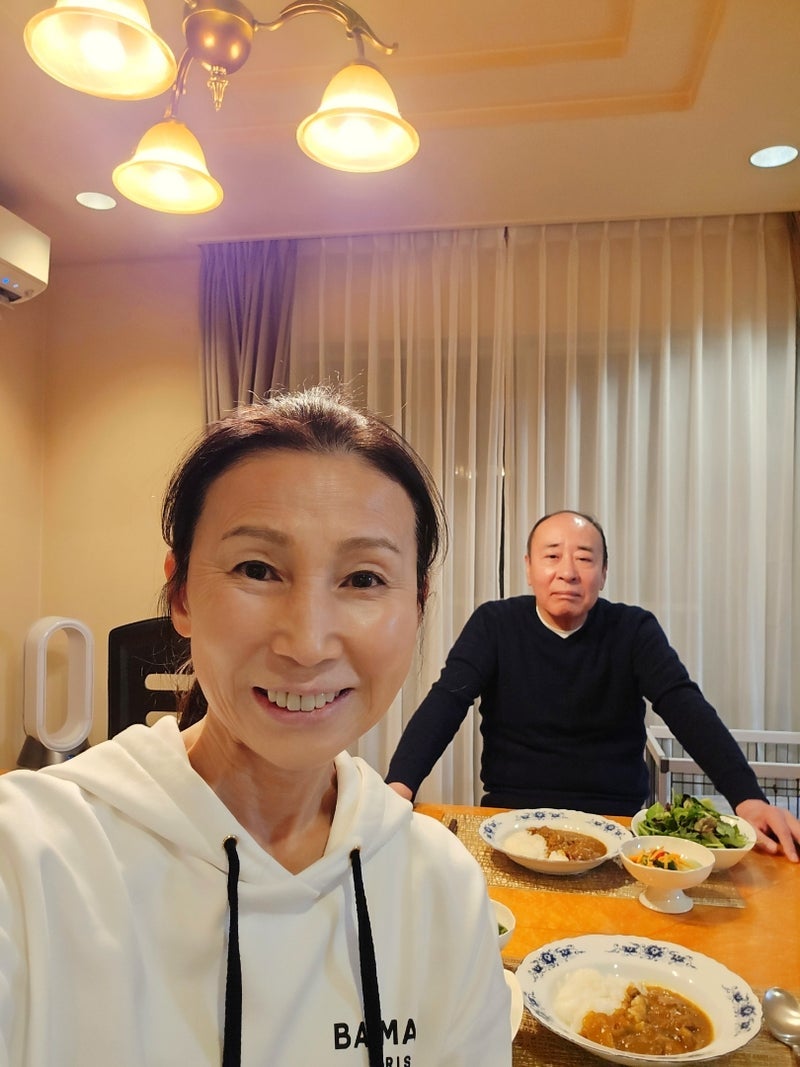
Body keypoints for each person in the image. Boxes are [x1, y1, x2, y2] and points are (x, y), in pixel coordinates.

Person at [0, 386, 512, 1066]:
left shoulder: (442, 888)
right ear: (181, 592)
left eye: (363, 579)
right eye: (258, 569)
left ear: (418, 605)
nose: (308, 642)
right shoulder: (30, 863)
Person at [387, 509, 800, 862]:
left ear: (603, 573)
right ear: (529, 568)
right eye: (552, 556)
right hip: (512, 819)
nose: (567, 572)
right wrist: (399, 786)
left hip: (616, 824)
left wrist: (747, 798)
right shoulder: (494, 624)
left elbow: (684, 705)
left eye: (584, 558)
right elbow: (447, 700)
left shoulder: (634, 630)